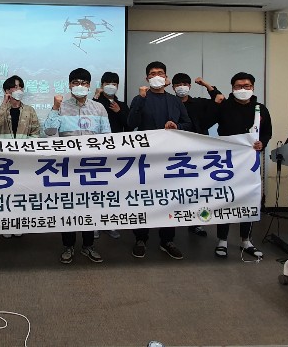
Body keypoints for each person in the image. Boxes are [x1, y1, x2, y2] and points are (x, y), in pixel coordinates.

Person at [43, 68, 111, 264]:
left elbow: (107, 137)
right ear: (70, 85)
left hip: (91, 167)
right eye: (75, 82)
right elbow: (49, 131)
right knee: (68, 207)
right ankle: (68, 246)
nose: (79, 86)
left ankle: (88, 246)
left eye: (83, 82)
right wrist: (55, 107)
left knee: (89, 207)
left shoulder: (99, 108)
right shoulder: (61, 107)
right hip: (68, 167)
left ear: (89, 86)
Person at [126, 61, 192, 260]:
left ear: (166, 77)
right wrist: (140, 99)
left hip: (170, 157)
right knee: (143, 198)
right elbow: (130, 124)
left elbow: (188, 123)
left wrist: (177, 127)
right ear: (147, 78)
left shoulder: (174, 101)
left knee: (169, 198)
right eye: (153, 73)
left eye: (160, 73)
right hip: (145, 157)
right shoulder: (140, 99)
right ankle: (141, 238)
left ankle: (167, 240)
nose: (157, 76)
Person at [211, 72, 272, 259]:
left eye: (247, 86)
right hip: (227, 161)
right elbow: (204, 122)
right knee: (226, 197)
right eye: (238, 86)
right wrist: (213, 103)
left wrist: (262, 143)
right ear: (232, 88)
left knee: (249, 198)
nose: (243, 89)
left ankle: (246, 240)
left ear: (253, 87)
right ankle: (222, 240)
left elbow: (267, 132)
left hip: (249, 162)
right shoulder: (224, 107)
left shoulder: (260, 109)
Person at [171, 72, 224, 238]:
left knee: (197, 190)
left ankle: (196, 223)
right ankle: (170, 220)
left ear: (190, 86)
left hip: (198, 151)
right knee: (173, 188)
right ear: (173, 87)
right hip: (174, 152)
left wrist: (207, 85)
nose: (182, 87)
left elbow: (220, 99)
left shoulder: (199, 103)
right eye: (178, 85)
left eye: (184, 84)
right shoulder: (169, 103)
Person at [0, 75, 41, 238]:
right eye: (15, 86)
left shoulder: (29, 110)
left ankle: (19, 222)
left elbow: (36, 132)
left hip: (23, 157)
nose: (18, 89)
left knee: (21, 190)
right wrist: (4, 104)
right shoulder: (2, 109)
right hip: (4, 157)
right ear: (7, 90)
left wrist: (27, 148)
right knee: (5, 190)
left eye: (20, 87)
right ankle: (6, 223)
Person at [92, 71, 130, 239]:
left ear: (118, 86)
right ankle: (94, 224)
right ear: (101, 85)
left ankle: (110, 223)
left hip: (116, 152)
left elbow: (130, 126)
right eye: (107, 83)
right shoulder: (95, 102)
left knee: (112, 189)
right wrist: (96, 97)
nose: (111, 86)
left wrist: (119, 111)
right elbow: (89, 120)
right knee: (96, 189)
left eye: (114, 83)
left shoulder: (122, 105)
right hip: (97, 151)